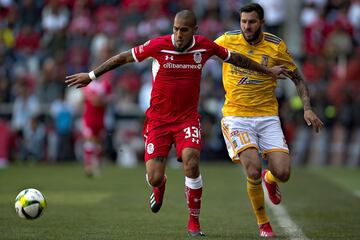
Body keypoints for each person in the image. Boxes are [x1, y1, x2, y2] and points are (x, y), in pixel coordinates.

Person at [66, 10, 290, 237]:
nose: (178, 34)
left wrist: (267, 71)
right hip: (158, 121)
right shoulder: (158, 45)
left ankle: (194, 222)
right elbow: (123, 57)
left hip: (187, 119)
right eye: (175, 29)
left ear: (194, 31)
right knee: (153, 175)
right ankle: (159, 184)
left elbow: (236, 58)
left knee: (191, 164)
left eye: (184, 30)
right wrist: (92, 75)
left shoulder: (204, 47)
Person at [214, 3, 324, 238]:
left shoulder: (275, 46)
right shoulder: (226, 40)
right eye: (243, 21)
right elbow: (202, 52)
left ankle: (270, 178)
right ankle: (264, 224)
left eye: (252, 22)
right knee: (252, 170)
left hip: (267, 117)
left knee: (283, 173)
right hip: (237, 116)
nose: (246, 26)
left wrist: (307, 109)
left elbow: (297, 78)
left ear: (261, 22)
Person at [81, 72, 112, 177]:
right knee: (89, 140)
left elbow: (104, 100)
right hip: (89, 118)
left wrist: (95, 99)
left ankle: (96, 166)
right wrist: (97, 99)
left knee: (98, 143)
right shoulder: (89, 84)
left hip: (100, 118)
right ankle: (88, 166)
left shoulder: (106, 85)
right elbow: (92, 99)